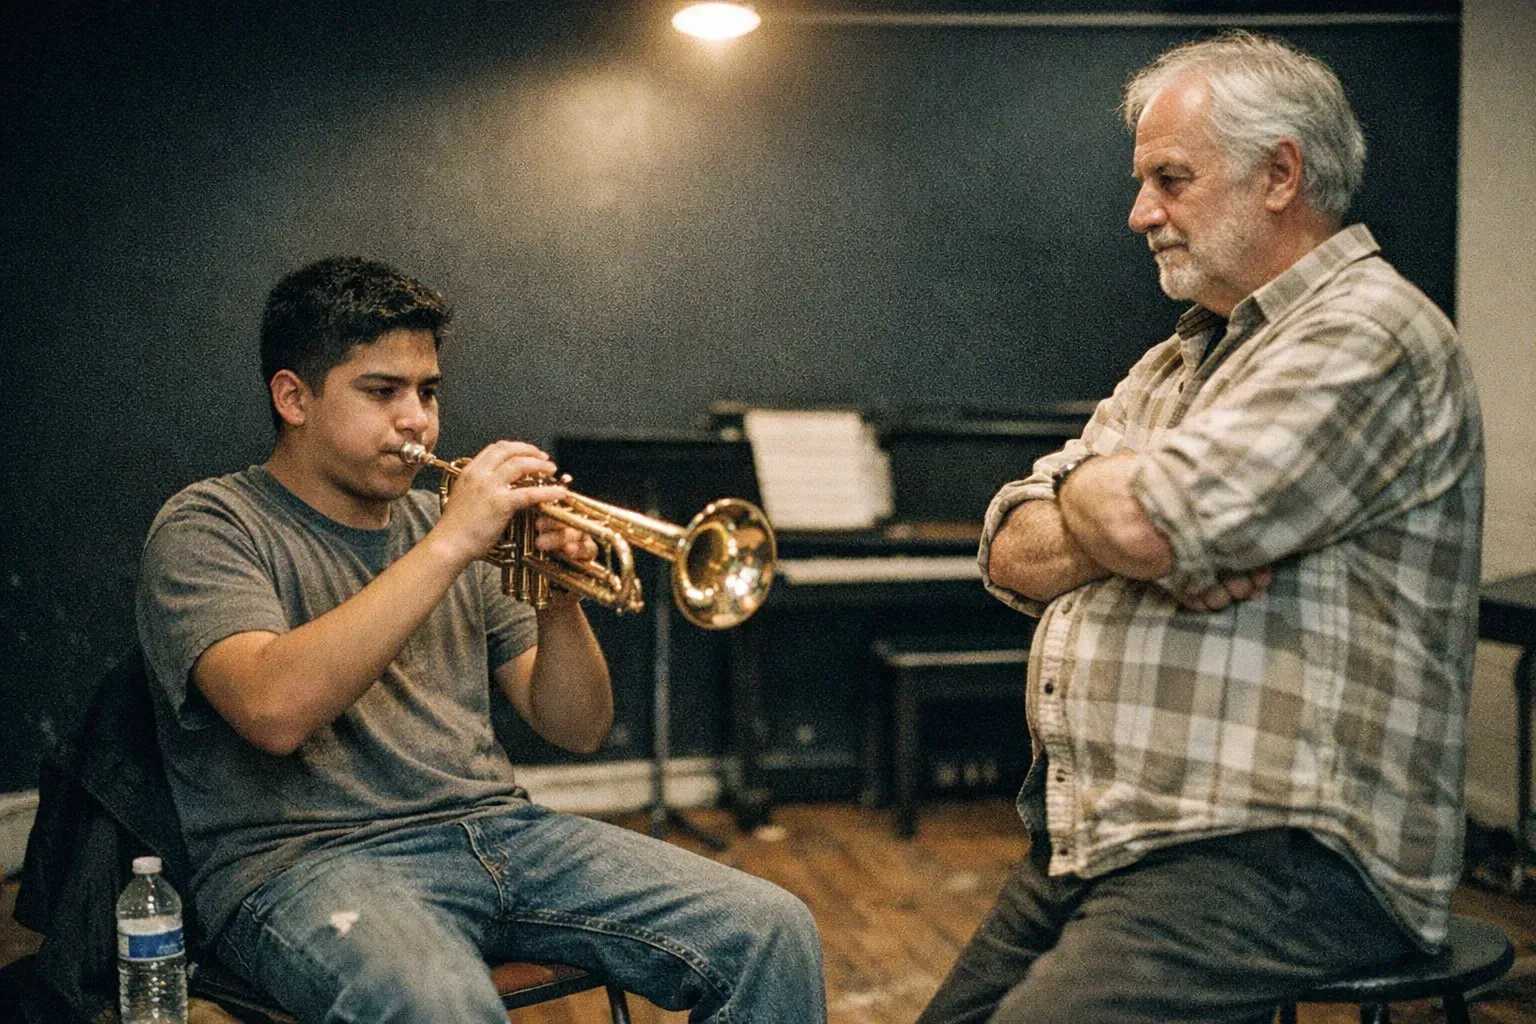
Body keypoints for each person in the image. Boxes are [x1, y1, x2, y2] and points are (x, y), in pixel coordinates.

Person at [917, 31, 1483, 1024]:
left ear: (1281, 175)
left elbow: (1142, 527)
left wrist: (1115, 511)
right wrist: (1124, 512)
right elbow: (1010, 550)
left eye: (1171, 180)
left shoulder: (1368, 330)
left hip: (1281, 852)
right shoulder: (1175, 361)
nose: (1141, 213)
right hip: (1110, 835)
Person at [135, 256, 826, 1024]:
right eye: (382, 391)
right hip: (307, 863)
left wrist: (560, 597)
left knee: (771, 929)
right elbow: (273, 710)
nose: (417, 420)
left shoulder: (449, 529)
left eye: (427, 392)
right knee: (435, 1004)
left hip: (502, 832)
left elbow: (577, 726)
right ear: (293, 397)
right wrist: (450, 545)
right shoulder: (210, 525)